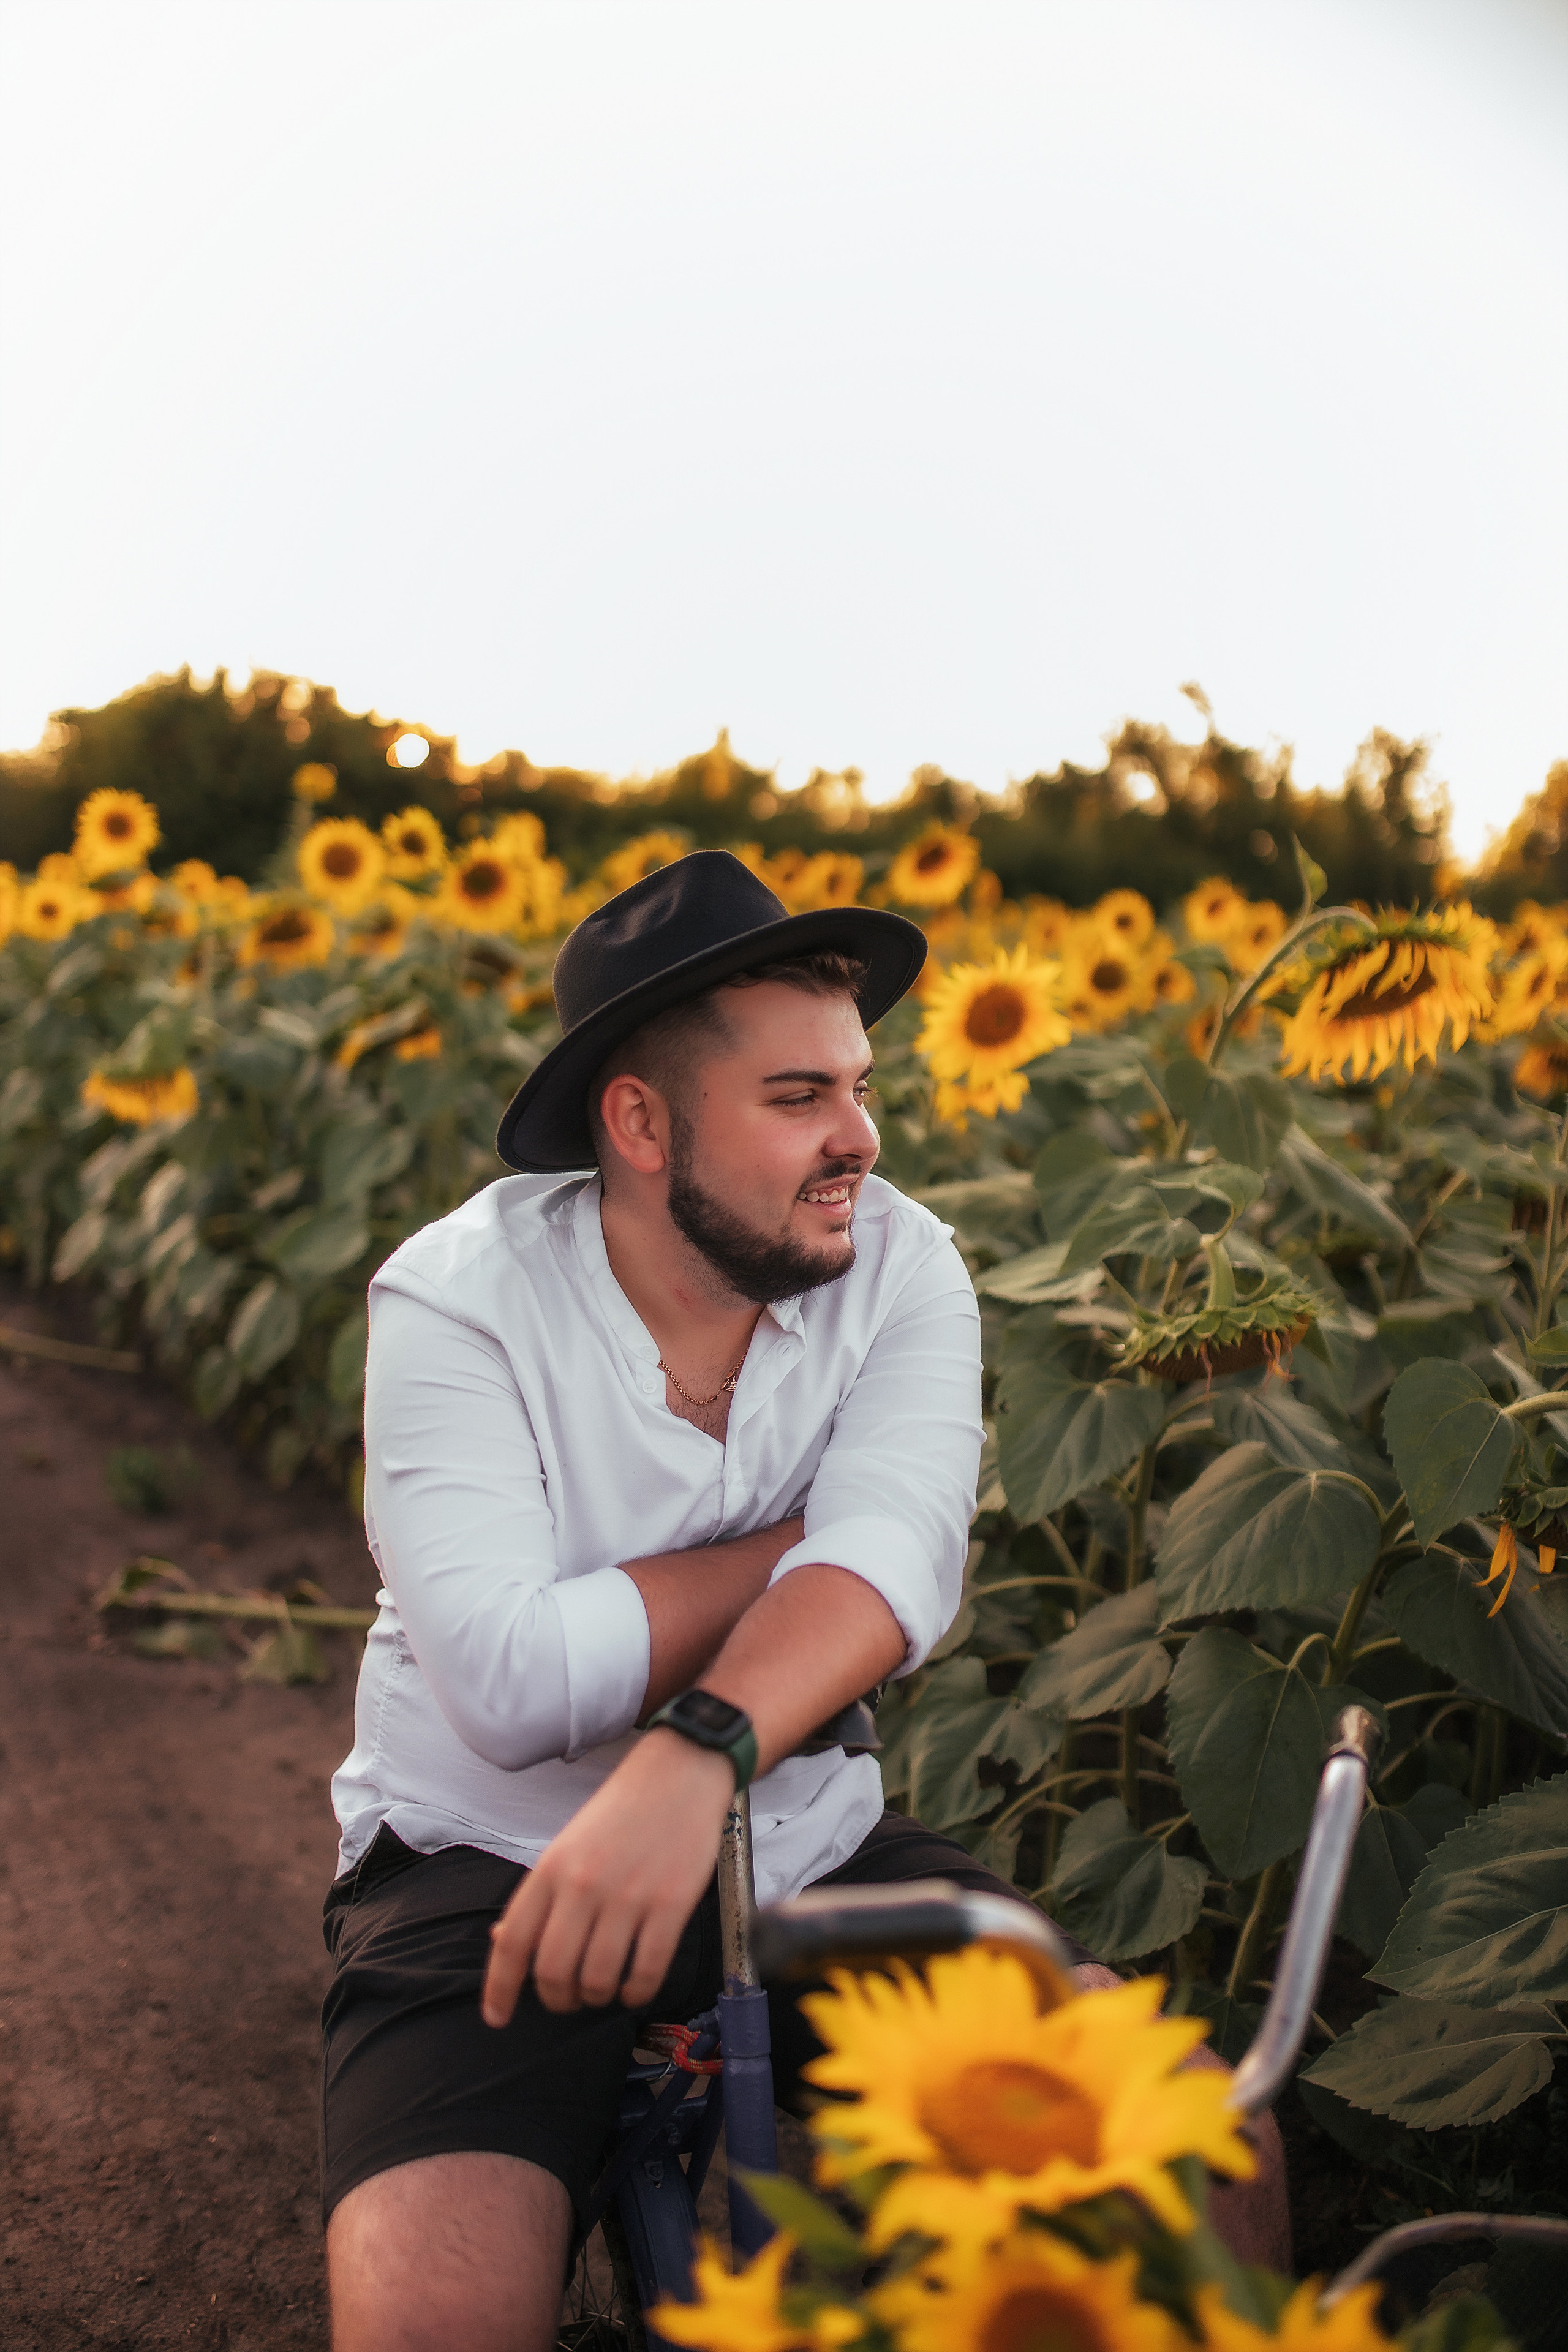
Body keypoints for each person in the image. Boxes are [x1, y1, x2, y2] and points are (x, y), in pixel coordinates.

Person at [320, 851, 1286, 2352]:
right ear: (637, 1124)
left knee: (1197, 2148)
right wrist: (799, 1545)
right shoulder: (456, 1300)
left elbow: (896, 1577)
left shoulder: (902, 1265)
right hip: (486, 1863)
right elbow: (509, 1686)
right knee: (432, 2306)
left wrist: (694, 1749)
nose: (859, 1138)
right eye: (796, 1100)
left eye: (856, 1085)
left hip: (809, 1833)